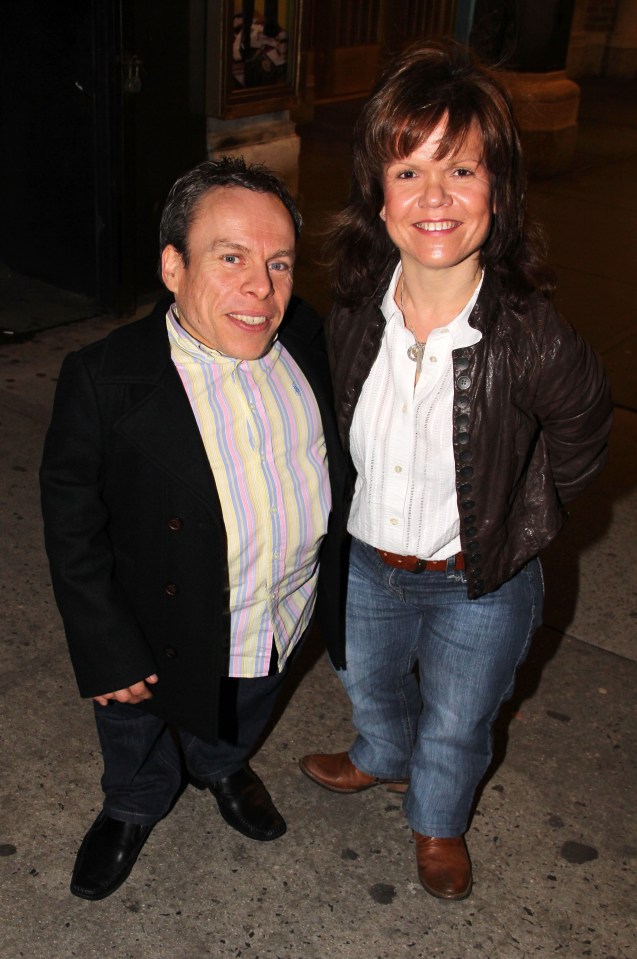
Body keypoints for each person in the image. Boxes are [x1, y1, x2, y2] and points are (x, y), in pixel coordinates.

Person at [299, 40, 613, 901]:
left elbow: (584, 428)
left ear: (499, 192)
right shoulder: (356, 311)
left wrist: (528, 516)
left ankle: (436, 817)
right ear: (377, 195)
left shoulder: (532, 334)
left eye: (461, 169)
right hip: (366, 563)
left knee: (459, 720)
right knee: (366, 680)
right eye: (407, 171)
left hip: (481, 581)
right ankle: (378, 755)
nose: (433, 196)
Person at [40, 157, 345, 901]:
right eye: (230, 257)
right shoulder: (105, 377)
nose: (261, 289)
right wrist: (106, 648)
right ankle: (135, 803)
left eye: (278, 263)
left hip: (280, 608)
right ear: (172, 266)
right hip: (158, 620)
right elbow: (72, 525)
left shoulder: (308, 337)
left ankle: (219, 763)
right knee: (137, 725)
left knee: (245, 701)